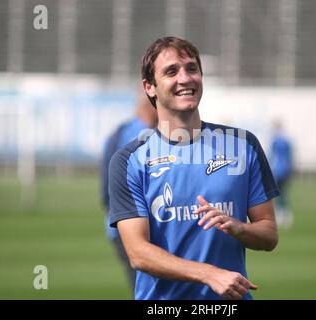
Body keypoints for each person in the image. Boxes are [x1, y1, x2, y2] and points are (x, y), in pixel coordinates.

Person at [108, 37, 280, 300]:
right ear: (150, 87)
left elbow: (269, 234)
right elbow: (138, 253)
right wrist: (209, 274)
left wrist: (238, 228)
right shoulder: (129, 160)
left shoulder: (243, 146)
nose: (185, 78)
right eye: (171, 71)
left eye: (192, 69)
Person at [100, 87, 158, 294]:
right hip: (131, 228)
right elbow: (110, 189)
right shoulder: (133, 136)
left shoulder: (120, 132)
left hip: (129, 226)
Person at [269, 121, 294, 229]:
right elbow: (290, 157)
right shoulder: (286, 140)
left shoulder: (274, 140)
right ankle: (286, 215)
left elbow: (271, 156)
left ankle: (281, 214)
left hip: (277, 170)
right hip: (285, 170)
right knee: (283, 193)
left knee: (277, 193)